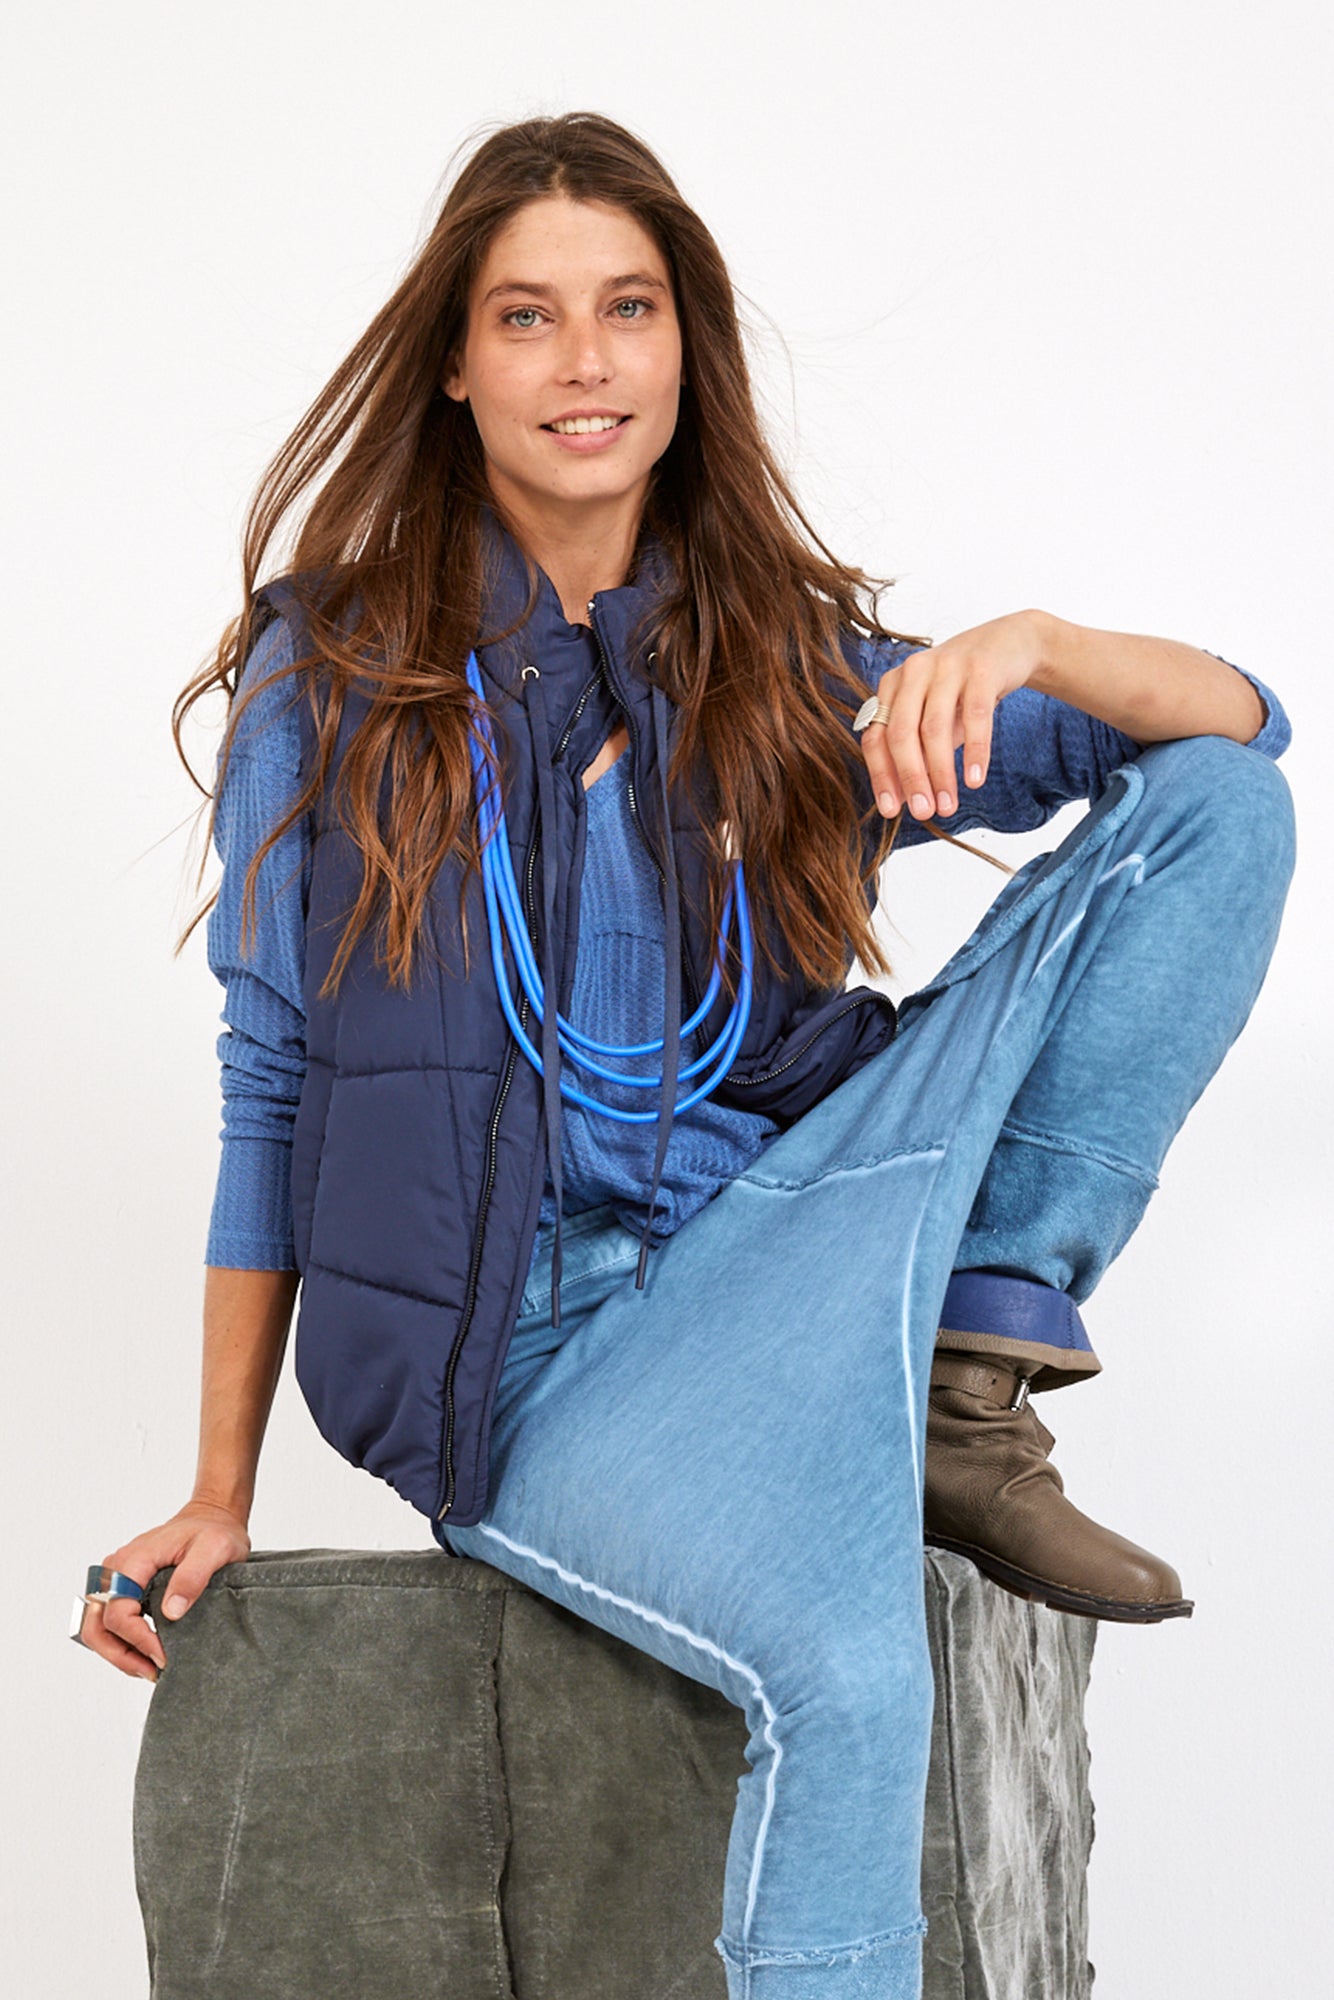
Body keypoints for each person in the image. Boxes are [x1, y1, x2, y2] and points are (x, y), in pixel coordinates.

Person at [73, 112, 1294, 2000]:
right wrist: (218, 1492)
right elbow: (272, 1081)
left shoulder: (781, 668)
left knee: (1212, 809)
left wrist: (1035, 642)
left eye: (627, 308)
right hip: (529, 1360)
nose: (584, 361)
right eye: (527, 315)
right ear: (455, 363)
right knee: (846, 1684)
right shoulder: (335, 675)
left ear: (682, 346)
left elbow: (1237, 733)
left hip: (782, 1245)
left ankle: (968, 1366)